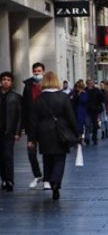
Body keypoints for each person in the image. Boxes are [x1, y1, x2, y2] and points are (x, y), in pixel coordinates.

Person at [27, 71, 79, 200]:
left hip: (43, 131)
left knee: (47, 158)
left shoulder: (38, 99)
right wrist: (76, 132)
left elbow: (33, 121)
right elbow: (71, 117)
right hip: (59, 130)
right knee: (59, 159)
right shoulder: (63, 97)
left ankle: (49, 180)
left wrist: (31, 139)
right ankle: (56, 182)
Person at [22, 62, 46, 189]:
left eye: (39, 71)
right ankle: (37, 175)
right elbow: (24, 106)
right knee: (31, 152)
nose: (37, 73)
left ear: (43, 71)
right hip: (32, 125)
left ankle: (47, 178)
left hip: (45, 124)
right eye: (35, 71)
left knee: (47, 151)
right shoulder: (28, 86)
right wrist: (23, 126)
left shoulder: (47, 85)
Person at [0, 72, 22, 192]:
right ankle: (3, 178)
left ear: (11, 82)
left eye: (8, 80)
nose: (5, 81)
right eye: (3, 79)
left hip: (9, 131)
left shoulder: (16, 97)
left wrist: (18, 131)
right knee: (1, 157)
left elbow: (19, 116)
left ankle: (9, 180)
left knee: (8, 155)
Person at [84, 79, 105, 145]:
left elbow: (101, 99)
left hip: (95, 110)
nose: (90, 84)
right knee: (87, 124)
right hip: (87, 110)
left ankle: (94, 138)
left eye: (91, 83)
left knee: (95, 125)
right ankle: (87, 138)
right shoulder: (85, 90)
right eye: (89, 83)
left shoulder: (97, 90)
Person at [71, 79, 88, 144]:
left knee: (81, 125)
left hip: (82, 111)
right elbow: (72, 100)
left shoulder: (84, 93)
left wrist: (80, 94)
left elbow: (84, 100)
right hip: (75, 111)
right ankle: (76, 137)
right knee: (75, 125)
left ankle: (80, 137)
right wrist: (77, 94)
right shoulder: (74, 92)